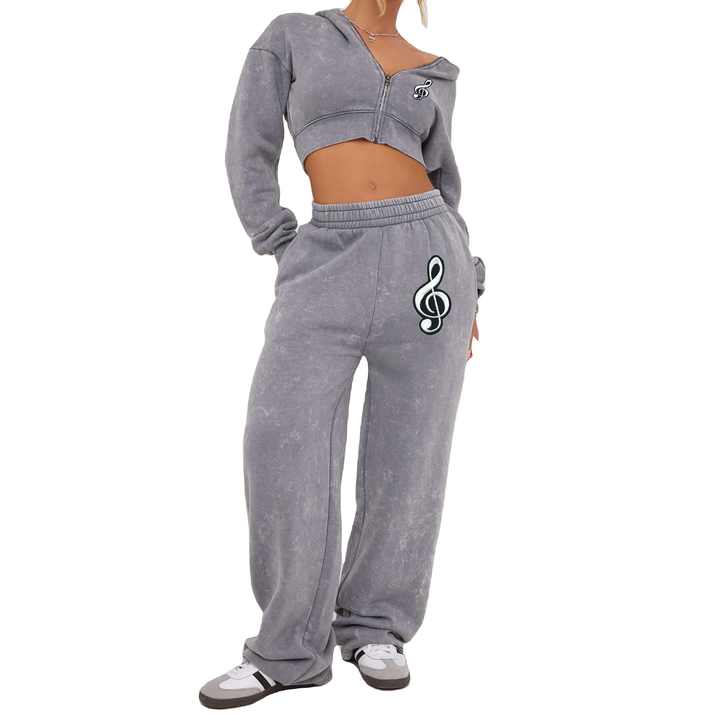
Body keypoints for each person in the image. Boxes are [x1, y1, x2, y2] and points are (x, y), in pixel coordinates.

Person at [199, 1, 485, 708]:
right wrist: (280, 241)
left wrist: (469, 285)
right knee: (280, 438)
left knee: (411, 453)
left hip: (429, 266)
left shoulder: (434, 71)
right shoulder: (293, 36)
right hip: (324, 259)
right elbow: (248, 146)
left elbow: (445, 183)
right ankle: (289, 647)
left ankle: (376, 624)